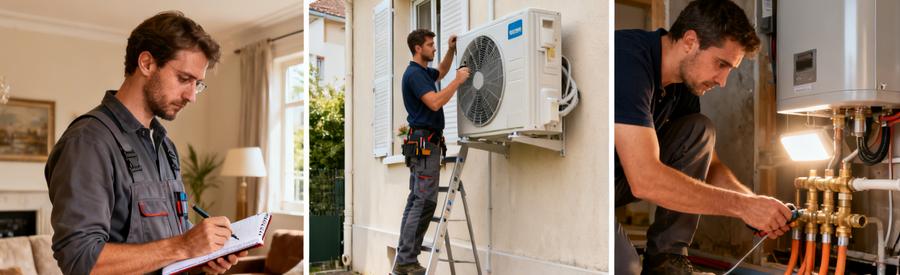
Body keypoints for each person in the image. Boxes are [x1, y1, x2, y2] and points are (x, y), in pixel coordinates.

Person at [45, 11, 247, 274]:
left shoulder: (165, 147)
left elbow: (168, 243)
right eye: (184, 79)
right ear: (147, 63)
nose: (191, 96)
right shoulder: (88, 141)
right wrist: (184, 246)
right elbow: (81, 259)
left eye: (197, 84)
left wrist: (203, 255)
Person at [613, 1, 792, 274]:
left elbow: (710, 166)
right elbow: (645, 179)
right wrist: (743, 207)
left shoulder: (681, 86)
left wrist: (755, 205)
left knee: (700, 129)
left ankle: (666, 260)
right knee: (625, 269)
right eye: (720, 64)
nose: (722, 81)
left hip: (615, 180)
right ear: (689, 41)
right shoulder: (628, 61)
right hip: (576, 189)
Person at [392, 29, 471, 275]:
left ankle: (403, 257)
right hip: (425, 144)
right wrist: (458, 81)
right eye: (430, 45)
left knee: (416, 200)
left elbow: (443, 71)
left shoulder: (424, 73)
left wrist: (450, 49)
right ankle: (406, 260)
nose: (433, 48)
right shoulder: (414, 75)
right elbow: (435, 102)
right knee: (424, 200)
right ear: (418, 48)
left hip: (424, 143)